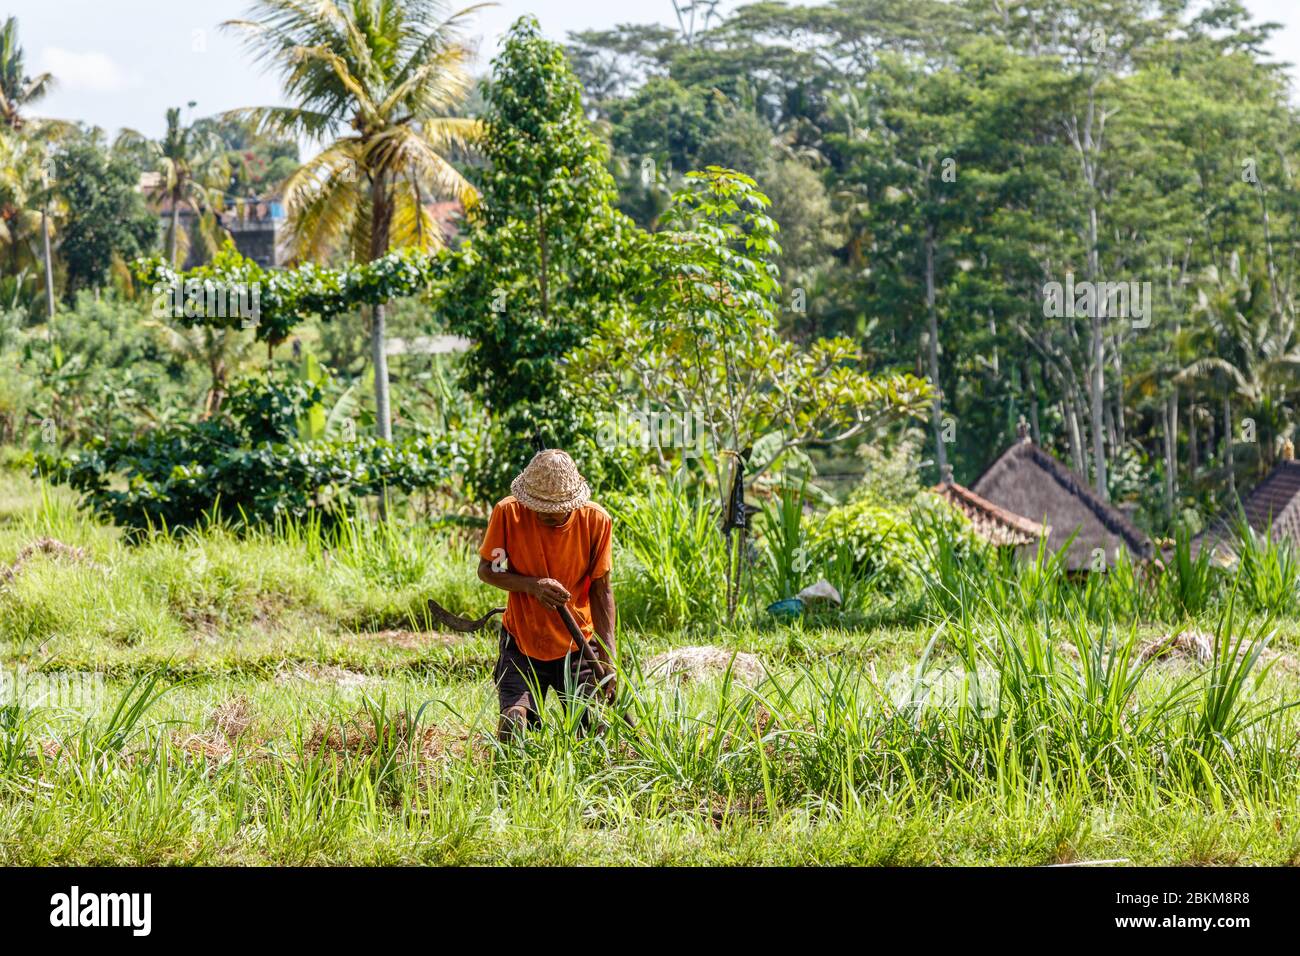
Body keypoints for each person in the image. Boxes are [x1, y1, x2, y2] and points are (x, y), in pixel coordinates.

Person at [477, 449, 616, 740]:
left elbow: (602, 592)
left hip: (577, 646)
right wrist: (532, 586)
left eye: (553, 510)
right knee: (514, 726)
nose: (543, 515)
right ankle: (506, 784)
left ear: (573, 503)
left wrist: (607, 660)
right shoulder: (509, 514)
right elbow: (490, 570)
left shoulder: (595, 522)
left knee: (591, 732)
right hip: (523, 641)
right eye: (537, 507)